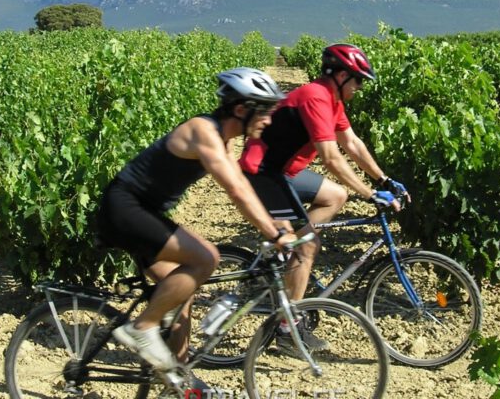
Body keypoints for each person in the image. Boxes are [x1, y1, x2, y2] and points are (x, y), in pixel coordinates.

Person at [95, 67, 295, 374]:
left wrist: (273, 221)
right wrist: (271, 231)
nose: (269, 120)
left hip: (140, 210)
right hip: (124, 208)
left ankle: (179, 373)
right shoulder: (203, 131)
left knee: (180, 287)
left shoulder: (224, 140)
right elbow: (235, 190)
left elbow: (241, 183)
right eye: (265, 112)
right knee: (205, 258)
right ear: (241, 109)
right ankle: (142, 327)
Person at [239, 43, 409, 349]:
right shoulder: (316, 96)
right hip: (262, 173)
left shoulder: (333, 102)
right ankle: (286, 328)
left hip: (284, 172)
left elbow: (353, 145)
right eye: (357, 80)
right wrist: (370, 193)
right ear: (342, 75)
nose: (359, 87)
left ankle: (291, 250)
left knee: (336, 195)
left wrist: (384, 178)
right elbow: (331, 157)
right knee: (308, 248)